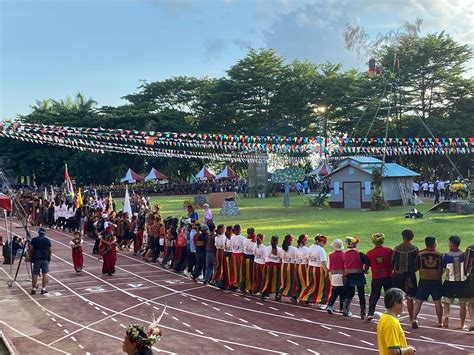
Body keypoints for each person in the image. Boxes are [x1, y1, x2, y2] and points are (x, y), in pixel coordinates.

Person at [412, 236, 443, 328]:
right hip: (436, 281)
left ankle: (414, 319)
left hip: (424, 280)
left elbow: (415, 267)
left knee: (418, 301)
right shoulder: (440, 254)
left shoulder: (420, 254)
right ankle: (440, 322)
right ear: (434, 243)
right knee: (437, 301)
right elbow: (443, 268)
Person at [377, 288, 416, 355]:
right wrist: (408, 350)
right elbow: (393, 352)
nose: (405, 304)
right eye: (403, 301)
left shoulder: (385, 318)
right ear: (396, 304)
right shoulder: (391, 323)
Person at [391, 229, 419, 324]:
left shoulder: (396, 248)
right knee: (410, 298)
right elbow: (417, 263)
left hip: (397, 275)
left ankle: (394, 317)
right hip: (409, 276)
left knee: (397, 297)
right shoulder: (414, 249)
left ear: (403, 237)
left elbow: (392, 262)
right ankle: (412, 319)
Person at [441, 235, 469, 329]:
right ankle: (462, 324)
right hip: (462, 282)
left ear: (451, 244)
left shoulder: (445, 256)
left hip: (450, 282)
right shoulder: (464, 255)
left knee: (446, 302)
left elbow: (443, 269)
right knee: (462, 304)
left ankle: (446, 317)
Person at [366, 233, 393, 321]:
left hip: (376, 277)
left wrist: (365, 271)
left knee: (374, 295)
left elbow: (366, 266)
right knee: (389, 295)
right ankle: (391, 312)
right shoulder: (389, 251)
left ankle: (370, 313)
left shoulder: (370, 253)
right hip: (388, 276)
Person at [298, 235, 331, 306]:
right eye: (324, 242)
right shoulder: (321, 250)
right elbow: (323, 262)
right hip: (319, 269)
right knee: (325, 285)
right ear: (321, 242)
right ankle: (322, 302)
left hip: (310, 268)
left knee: (310, 285)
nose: (324, 244)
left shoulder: (310, 247)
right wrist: (326, 271)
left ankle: (303, 298)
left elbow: (308, 258)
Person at [342, 236, 368, 319]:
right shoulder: (359, 253)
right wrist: (365, 270)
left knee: (350, 293)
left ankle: (345, 309)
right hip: (359, 275)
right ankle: (363, 313)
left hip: (348, 276)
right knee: (361, 294)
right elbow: (367, 262)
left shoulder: (344, 253)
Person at [29, 227, 52, 295]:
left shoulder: (34, 240)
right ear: (44, 233)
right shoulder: (47, 240)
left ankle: (33, 289)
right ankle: (43, 289)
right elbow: (50, 250)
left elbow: (30, 249)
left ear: (38, 233)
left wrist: (31, 257)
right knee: (44, 274)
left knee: (35, 274)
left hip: (36, 258)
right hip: (45, 258)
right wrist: (49, 257)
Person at [261, 235, 282, 301]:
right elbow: (281, 259)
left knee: (266, 280)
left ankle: (264, 294)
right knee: (277, 281)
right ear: (277, 242)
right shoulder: (279, 250)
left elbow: (264, 257)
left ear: (270, 241)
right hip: (276, 267)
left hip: (267, 266)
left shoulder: (266, 248)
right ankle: (277, 295)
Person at [326, 239, 345, 314]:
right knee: (343, 293)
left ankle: (329, 306)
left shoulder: (330, 255)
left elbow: (328, 267)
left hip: (334, 276)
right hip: (343, 277)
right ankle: (342, 308)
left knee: (334, 293)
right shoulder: (344, 254)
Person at [280, 234, 297, 301]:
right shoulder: (294, 249)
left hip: (284, 265)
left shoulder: (282, 248)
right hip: (291, 266)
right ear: (291, 241)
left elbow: (281, 257)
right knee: (293, 282)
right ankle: (293, 296)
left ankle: (279, 293)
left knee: (284, 281)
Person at [293, 234, 309, 304]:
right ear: (304, 240)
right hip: (303, 267)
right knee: (305, 283)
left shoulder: (297, 249)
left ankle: (296, 296)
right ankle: (302, 298)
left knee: (299, 283)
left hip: (297, 266)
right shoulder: (306, 250)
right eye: (307, 239)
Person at [229, 224, 245, 290]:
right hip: (240, 256)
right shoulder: (242, 238)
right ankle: (240, 284)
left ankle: (233, 283)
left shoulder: (232, 237)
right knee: (240, 271)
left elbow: (230, 246)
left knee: (234, 270)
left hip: (233, 255)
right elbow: (244, 247)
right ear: (238, 230)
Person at [241, 227, 256, 293]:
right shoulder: (254, 241)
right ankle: (251, 288)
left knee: (244, 273)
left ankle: (243, 287)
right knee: (251, 274)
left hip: (244, 257)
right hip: (251, 259)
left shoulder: (245, 240)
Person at [464, 243, 474, 331]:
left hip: (472, 278)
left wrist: (465, 274)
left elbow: (466, 265)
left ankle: (473, 323)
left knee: (471, 302)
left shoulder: (470, 249)